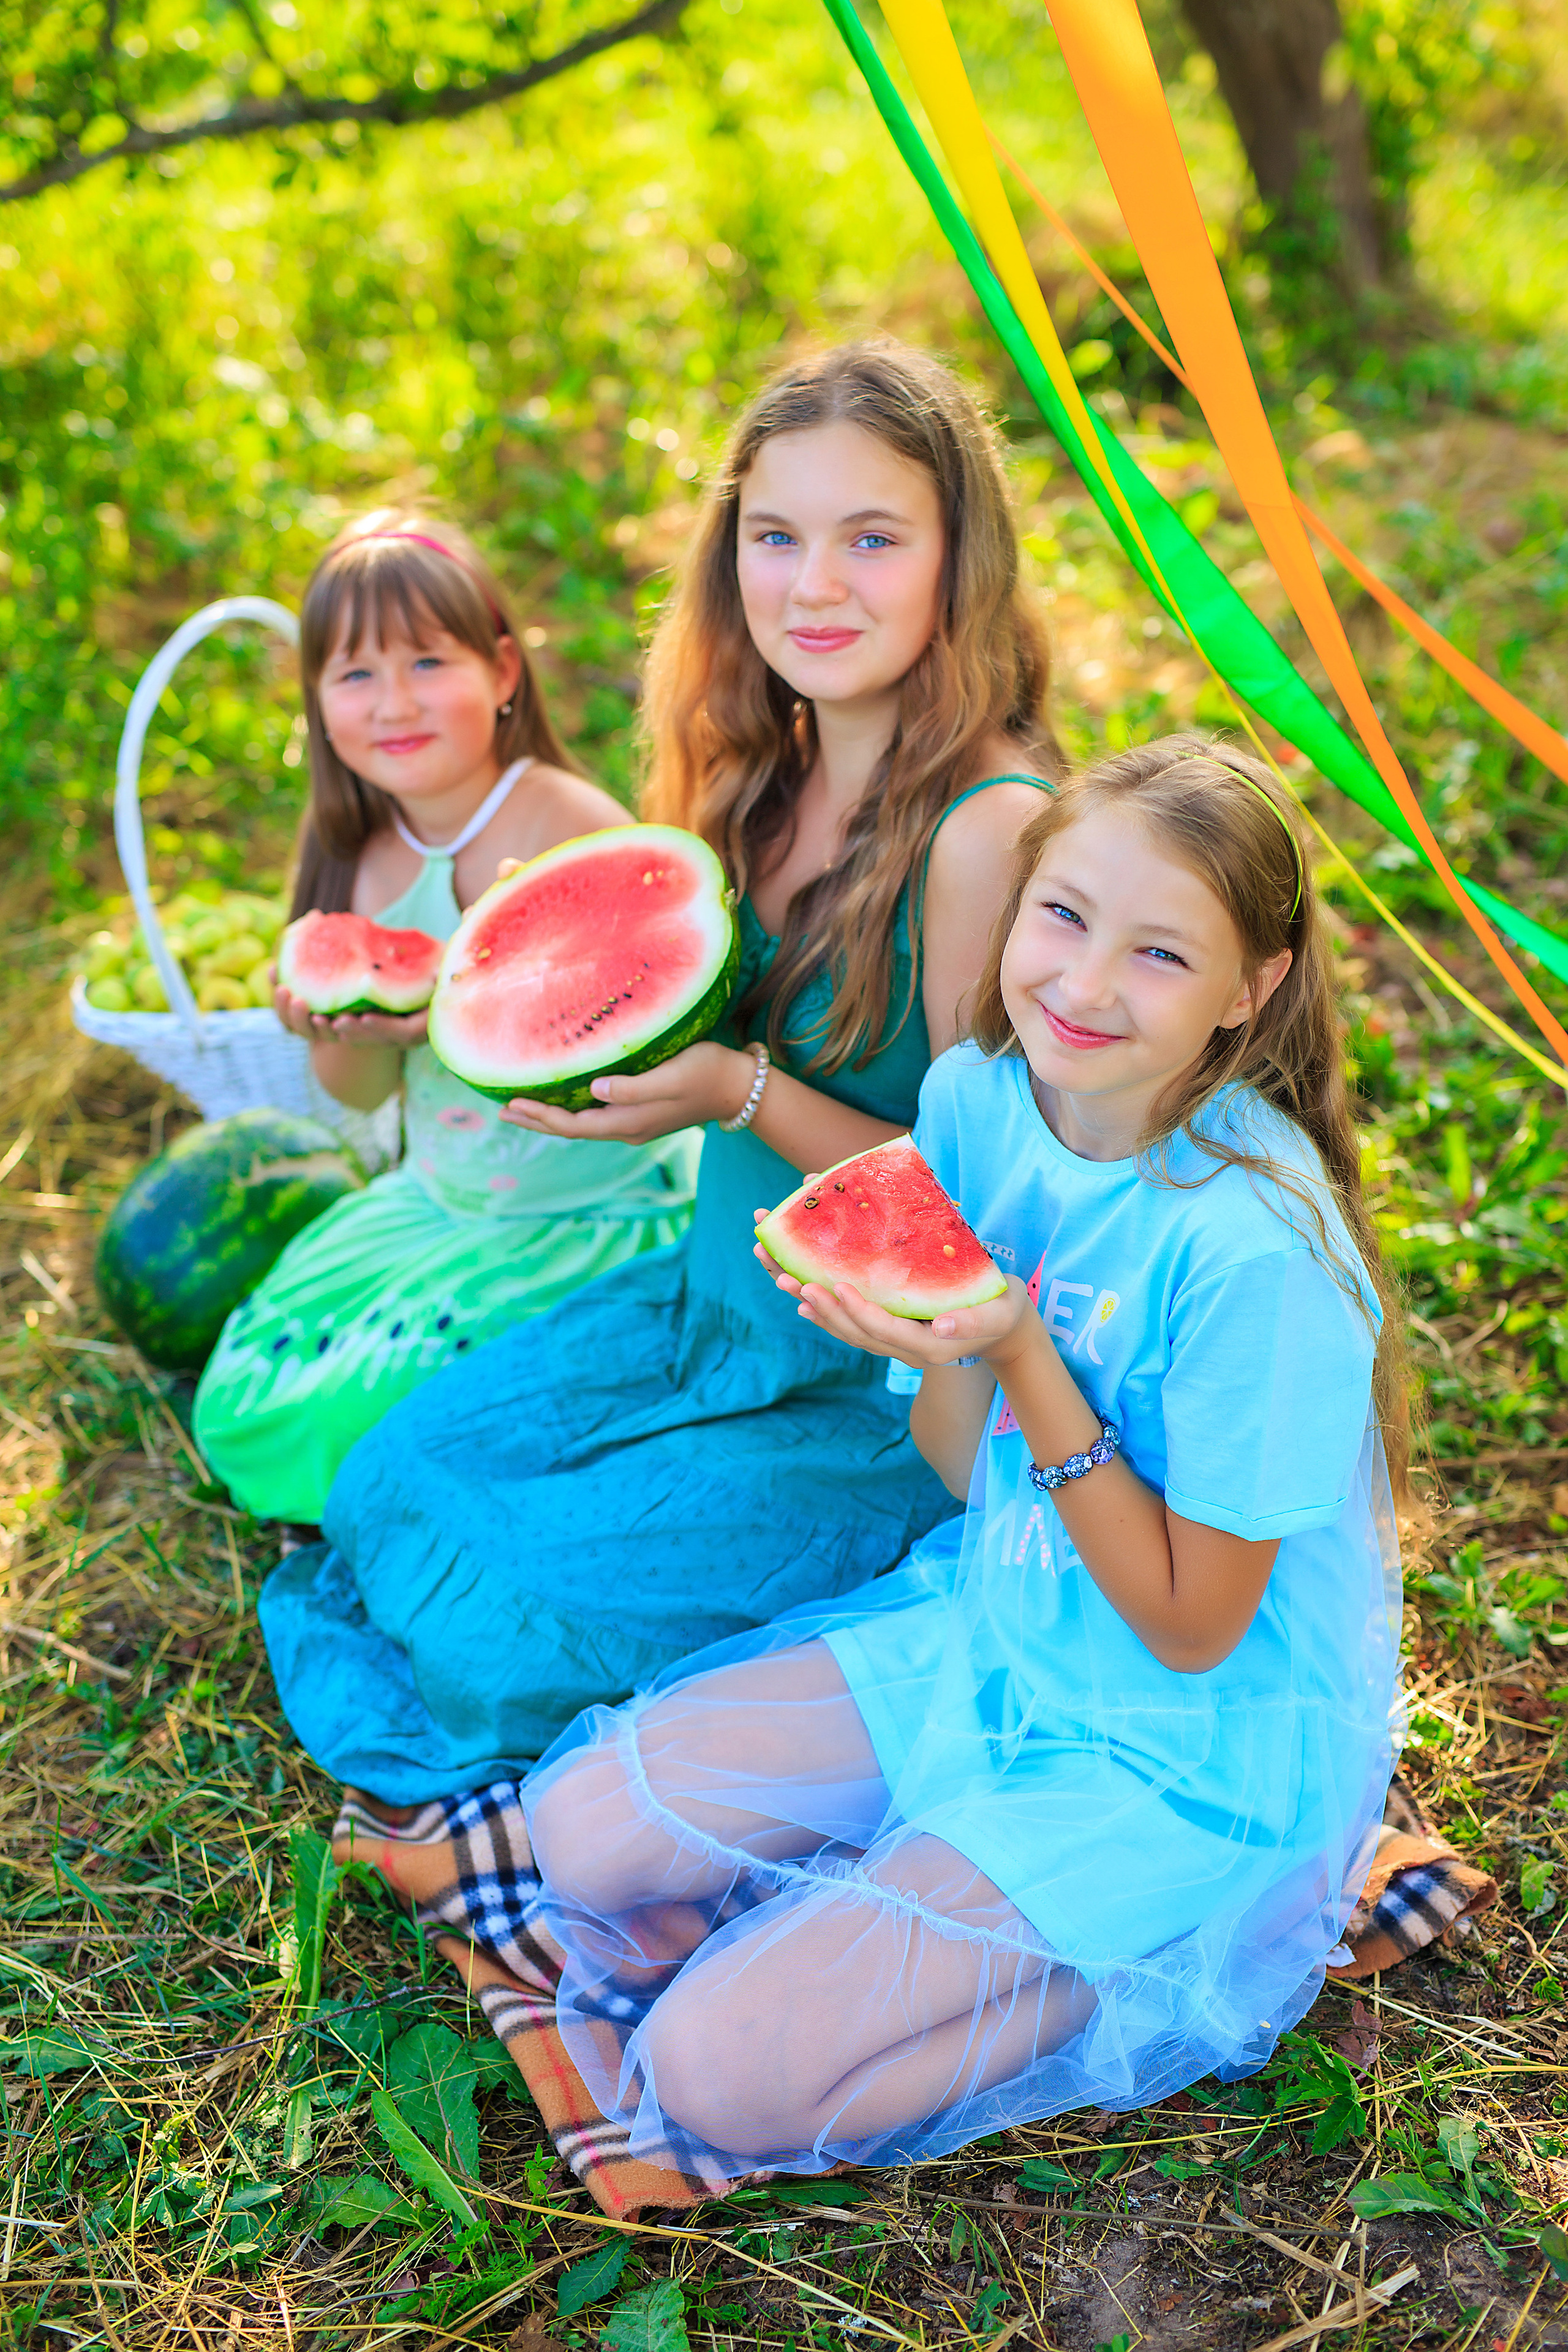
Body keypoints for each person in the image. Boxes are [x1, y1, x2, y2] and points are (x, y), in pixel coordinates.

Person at [508, 734, 1406, 2173]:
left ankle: (1171, 1950)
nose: (1084, 986)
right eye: (1061, 916)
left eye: (1161, 955)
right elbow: (953, 1473)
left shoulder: (1257, 1256)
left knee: (715, 2074)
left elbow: (1189, 1631)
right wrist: (942, 1354)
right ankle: (919, 1902)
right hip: (1002, 1627)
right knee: (585, 1829)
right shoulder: (978, 1107)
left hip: (1184, 1752)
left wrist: (1017, 1358)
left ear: (1253, 989)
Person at [259, 339, 1064, 1793]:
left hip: (875, 1379)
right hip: (714, 1297)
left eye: (870, 538)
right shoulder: (765, 772)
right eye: (775, 536)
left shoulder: (986, 827)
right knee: (384, 1489)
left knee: (516, 1620)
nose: (812, 585)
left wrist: (734, 1094)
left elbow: (973, 1200)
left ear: (960, 557)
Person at [193, 512, 698, 1530]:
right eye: (356, 675)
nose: (395, 703)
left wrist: (496, 994)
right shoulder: (354, 858)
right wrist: (341, 1035)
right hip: (438, 1201)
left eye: (428, 661)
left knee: (403, 1409)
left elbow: (647, 1029)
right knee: (243, 1402)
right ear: (318, 705)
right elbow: (364, 1099)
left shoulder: (570, 824)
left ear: (504, 671)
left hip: (591, 1211)